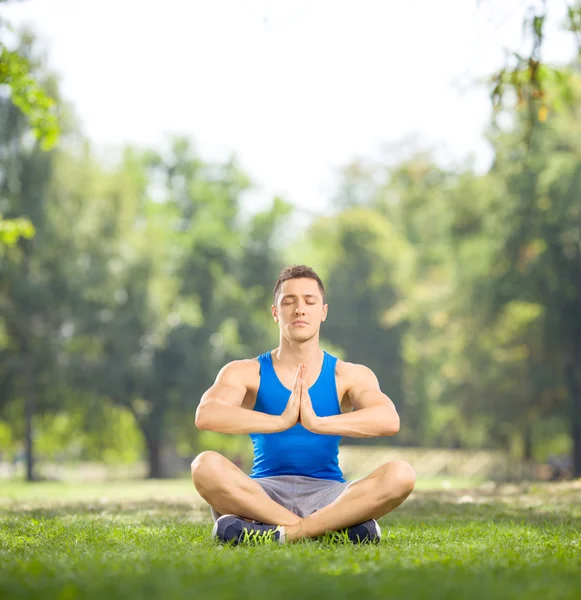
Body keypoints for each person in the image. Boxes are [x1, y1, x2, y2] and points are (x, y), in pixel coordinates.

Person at [191, 264, 415, 545]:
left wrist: (318, 423)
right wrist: (281, 421)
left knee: (401, 474)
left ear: (323, 312)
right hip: (263, 495)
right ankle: (329, 531)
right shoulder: (246, 371)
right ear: (275, 313)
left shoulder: (346, 374)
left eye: (310, 301)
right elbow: (206, 414)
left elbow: (388, 419)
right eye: (288, 301)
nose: (299, 309)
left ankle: (273, 533)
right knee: (204, 465)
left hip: (329, 495)